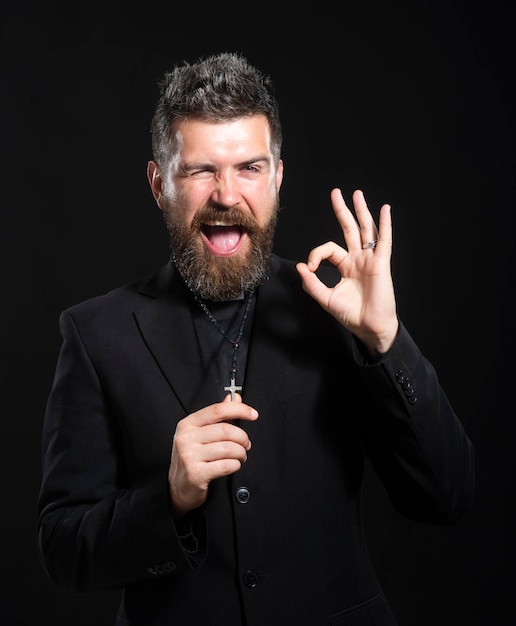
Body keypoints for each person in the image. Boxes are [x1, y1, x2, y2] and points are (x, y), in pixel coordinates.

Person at [37, 51, 475, 626]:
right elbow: (62, 550)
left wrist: (386, 343)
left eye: (249, 167)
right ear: (158, 183)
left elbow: (447, 496)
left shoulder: (337, 310)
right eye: (199, 171)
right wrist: (167, 497)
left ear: (278, 177)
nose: (226, 194)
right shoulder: (95, 333)